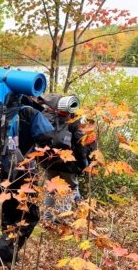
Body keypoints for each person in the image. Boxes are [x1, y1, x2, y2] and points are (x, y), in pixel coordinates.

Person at [0, 94, 54, 267]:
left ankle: (7, 257)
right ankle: (2, 249)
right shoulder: (29, 113)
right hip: (24, 170)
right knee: (29, 214)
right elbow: (47, 135)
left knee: (9, 211)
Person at [38, 94, 96, 223]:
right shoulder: (74, 122)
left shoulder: (47, 115)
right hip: (68, 165)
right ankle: (61, 222)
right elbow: (81, 147)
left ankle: (48, 220)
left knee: (52, 189)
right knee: (70, 190)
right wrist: (81, 166)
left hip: (48, 161)